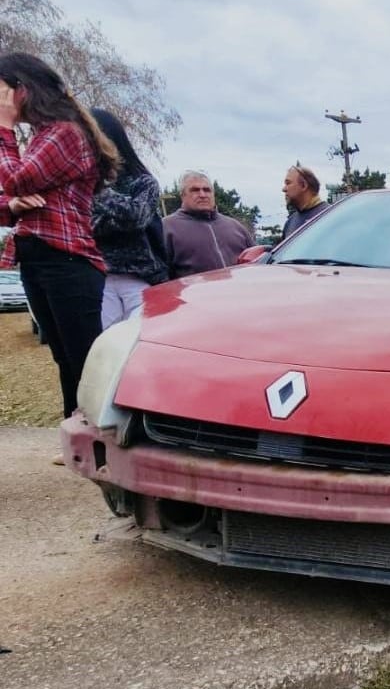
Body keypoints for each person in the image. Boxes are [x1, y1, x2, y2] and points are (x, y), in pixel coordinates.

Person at [0, 53, 119, 432]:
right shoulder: (43, 136)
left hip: (68, 262)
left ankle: (105, 437)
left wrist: (2, 130)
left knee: (83, 360)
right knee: (65, 359)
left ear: (21, 89)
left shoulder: (65, 133)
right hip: (39, 259)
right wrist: (15, 205)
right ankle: (80, 433)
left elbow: (15, 179)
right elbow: (9, 201)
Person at [89, 108, 167, 328]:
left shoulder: (143, 182)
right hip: (98, 279)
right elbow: (81, 227)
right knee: (102, 347)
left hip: (142, 278)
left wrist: (97, 188)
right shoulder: (75, 186)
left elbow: (137, 216)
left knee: (144, 343)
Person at [163, 170, 255, 278]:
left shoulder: (236, 227)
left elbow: (257, 263)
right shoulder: (166, 228)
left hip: (240, 292)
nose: (202, 195)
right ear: (182, 195)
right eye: (195, 190)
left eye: (207, 190)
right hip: (192, 294)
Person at [281, 164, 330, 239]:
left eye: (288, 183)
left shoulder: (328, 216)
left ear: (304, 185)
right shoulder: (290, 222)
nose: (284, 189)